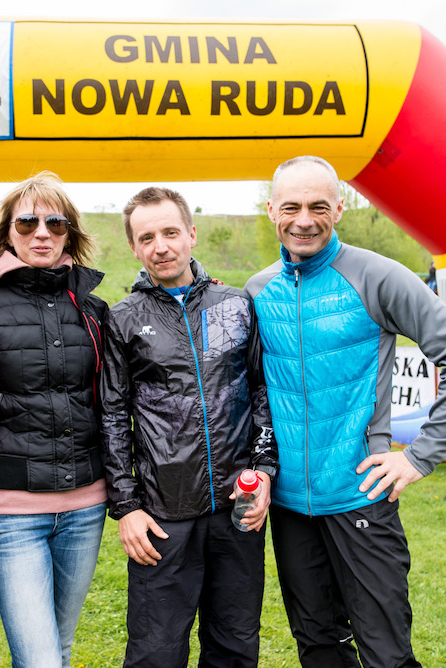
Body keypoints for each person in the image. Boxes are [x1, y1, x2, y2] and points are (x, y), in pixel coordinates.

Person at [245, 155, 446, 668]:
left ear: (340, 208)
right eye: (291, 207)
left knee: (386, 654)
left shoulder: (377, 275)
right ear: (271, 210)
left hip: (361, 497)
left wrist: (419, 456)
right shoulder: (257, 290)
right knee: (318, 646)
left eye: (318, 206)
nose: (304, 220)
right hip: (289, 507)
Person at [100, 186, 278, 668]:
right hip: (164, 515)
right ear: (134, 247)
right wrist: (127, 507)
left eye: (170, 232)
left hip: (238, 508)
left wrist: (264, 470)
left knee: (234, 645)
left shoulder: (235, 305)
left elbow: (262, 393)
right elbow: (112, 416)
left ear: (191, 234)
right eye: (147, 237)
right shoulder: (122, 319)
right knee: (156, 653)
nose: (161, 246)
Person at [0, 172, 109, 668]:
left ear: (69, 232)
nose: (42, 233)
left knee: (59, 648)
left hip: (86, 508)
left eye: (55, 223)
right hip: (13, 513)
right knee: (41, 660)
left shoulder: (93, 308)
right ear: (8, 230)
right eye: (28, 222)